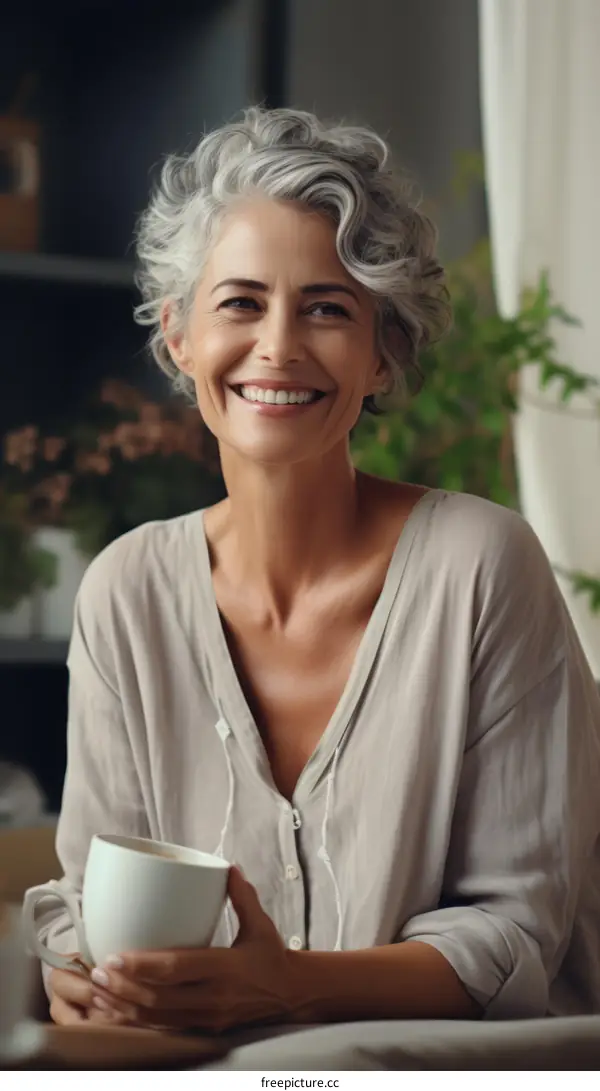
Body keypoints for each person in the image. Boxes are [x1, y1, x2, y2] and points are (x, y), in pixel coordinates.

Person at [35, 107, 600, 1032]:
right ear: (178, 337)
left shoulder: (483, 568)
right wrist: (89, 973)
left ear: (382, 353)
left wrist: (287, 985)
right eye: (241, 302)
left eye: (328, 307)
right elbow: (87, 894)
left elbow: (516, 935)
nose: (280, 346)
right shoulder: (125, 591)